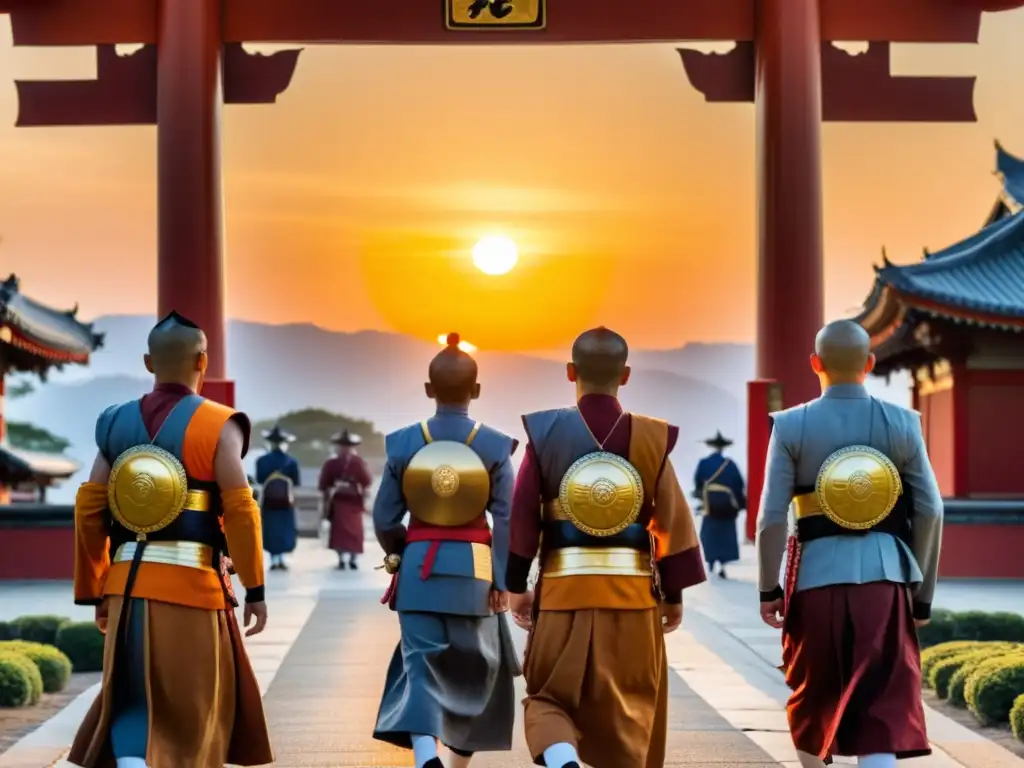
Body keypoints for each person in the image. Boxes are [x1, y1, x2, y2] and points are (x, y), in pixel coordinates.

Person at [68, 311, 272, 768]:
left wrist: (96, 588)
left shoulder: (113, 423)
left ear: (147, 362)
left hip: (126, 585)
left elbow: (89, 510)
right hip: (193, 587)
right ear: (203, 360)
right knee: (192, 705)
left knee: (130, 695)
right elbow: (240, 510)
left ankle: (135, 761)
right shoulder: (221, 425)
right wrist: (255, 589)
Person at [507, 326, 707, 768]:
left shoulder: (545, 433)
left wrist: (516, 585)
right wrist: (673, 596)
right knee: (630, 712)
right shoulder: (652, 439)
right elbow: (673, 522)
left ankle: (565, 762)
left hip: (563, 594)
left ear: (570, 371)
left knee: (546, 698)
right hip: (634, 599)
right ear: (627, 374)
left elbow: (522, 518)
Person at [756, 319, 944, 768]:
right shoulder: (903, 422)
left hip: (815, 578)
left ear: (815, 363)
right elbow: (932, 510)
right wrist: (921, 596)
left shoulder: (789, 426)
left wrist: (769, 588)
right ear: (870, 363)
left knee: (813, 690)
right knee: (883, 697)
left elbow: (770, 517)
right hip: (885, 576)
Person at [372, 332, 519, 768]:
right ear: (476, 391)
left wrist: (404, 548)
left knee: (420, 666)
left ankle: (424, 756)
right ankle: (458, 762)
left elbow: (383, 519)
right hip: (475, 569)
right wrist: (503, 578)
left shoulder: (403, 443)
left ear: (428, 389)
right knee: (476, 667)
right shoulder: (493, 446)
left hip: (419, 565)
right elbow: (506, 518)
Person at [693, 430, 746, 579]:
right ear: (723, 448)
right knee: (725, 534)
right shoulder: (731, 465)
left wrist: (702, 500)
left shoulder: (703, 463)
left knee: (710, 534)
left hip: (710, 505)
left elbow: (697, 485)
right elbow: (738, 485)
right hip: (727, 506)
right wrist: (740, 504)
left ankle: (710, 563)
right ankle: (722, 565)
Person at [318, 429, 373, 570]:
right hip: (351, 501)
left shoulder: (331, 463)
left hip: (342, 501)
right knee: (351, 532)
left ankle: (344, 559)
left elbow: (324, 485)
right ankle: (349, 558)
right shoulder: (359, 462)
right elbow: (367, 482)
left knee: (341, 533)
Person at [255, 424, 300, 571]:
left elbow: (260, 480)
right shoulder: (292, 461)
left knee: (270, 529)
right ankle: (281, 559)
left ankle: (274, 560)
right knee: (285, 529)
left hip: (269, 501)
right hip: (286, 502)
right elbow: (297, 482)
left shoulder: (261, 461)